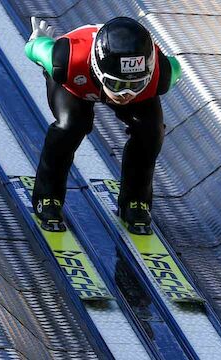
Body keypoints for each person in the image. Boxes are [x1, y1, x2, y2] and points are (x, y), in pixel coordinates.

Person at [25, 16, 181, 235]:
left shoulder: (161, 72)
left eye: (133, 85)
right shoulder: (66, 60)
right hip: (76, 84)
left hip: (111, 83)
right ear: (98, 70)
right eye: (117, 85)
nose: (125, 94)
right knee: (70, 126)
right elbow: (35, 48)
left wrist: (122, 85)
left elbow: (175, 66)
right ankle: (47, 196)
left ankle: (136, 201)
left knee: (151, 132)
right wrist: (38, 42)